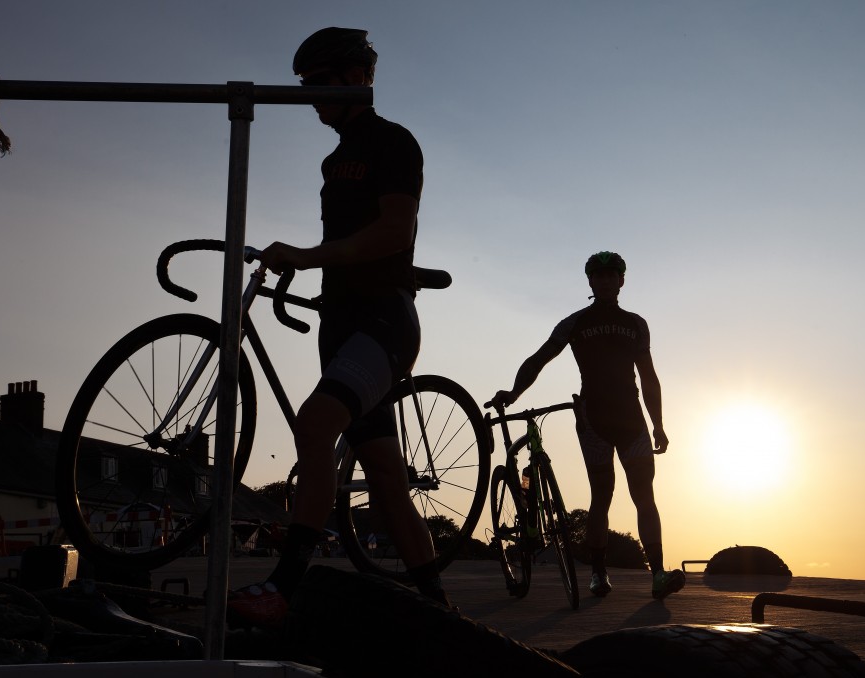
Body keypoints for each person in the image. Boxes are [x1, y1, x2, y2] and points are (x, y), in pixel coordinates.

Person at [227, 27, 449, 628]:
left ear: (356, 79)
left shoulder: (393, 141)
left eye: (319, 84)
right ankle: (440, 610)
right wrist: (310, 270)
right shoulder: (333, 160)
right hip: (342, 323)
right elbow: (346, 242)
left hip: (383, 321)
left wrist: (306, 256)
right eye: (304, 87)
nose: (310, 98)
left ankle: (283, 586)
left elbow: (394, 232)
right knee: (386, 480)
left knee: (315, 423)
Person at [489, 251, 685, 600]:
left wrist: (659, 424)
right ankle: (598, 572)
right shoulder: (573, 323)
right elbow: (539, 359)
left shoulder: (636, 324)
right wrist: (515, 392)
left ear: (621, 281)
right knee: (602, 495)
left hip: (632, 419)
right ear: (590, 281)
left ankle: (657, 574)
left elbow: (649, 376)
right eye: (599, 275)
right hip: (594, 419)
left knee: (645, 495)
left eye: (612, 275)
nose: (606, 281)